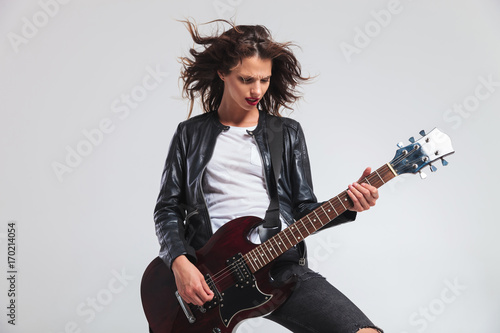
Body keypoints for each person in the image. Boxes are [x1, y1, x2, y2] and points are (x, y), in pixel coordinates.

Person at [153, 19, 383, 333]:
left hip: (277, 266)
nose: (257, 90)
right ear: (223, 73)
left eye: (264, 80)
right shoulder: (190, 134)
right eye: (246, 79)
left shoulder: (285, 133)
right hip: (209, 281)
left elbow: (303, 209)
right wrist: (180, 262)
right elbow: (167, 208)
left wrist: (349, 205)